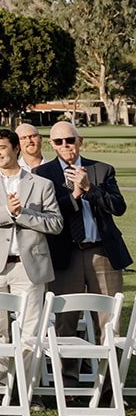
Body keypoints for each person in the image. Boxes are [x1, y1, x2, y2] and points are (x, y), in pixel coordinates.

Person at [0, 128, 61, 387]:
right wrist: (6, 212)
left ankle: (27, 388)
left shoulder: (41, 184)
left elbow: (55, 224)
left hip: (29, 266)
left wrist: (22, 215)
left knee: (30, 331)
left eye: (1, 147)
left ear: (16, 148)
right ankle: (0, 386)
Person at [37, 120, 129, 332]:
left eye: (70, 140)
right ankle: (68, 367)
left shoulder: (102, 169)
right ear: (52, 144)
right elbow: (47, 214)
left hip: (101, 252)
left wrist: (90, 189)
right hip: (65, 253)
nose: (65, 145)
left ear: (80, 141)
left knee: (109, 321)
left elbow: (119, 207)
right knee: (65, 322)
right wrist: (75, 196)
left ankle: (110, 365)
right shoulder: (42, 174)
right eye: (59, 141)